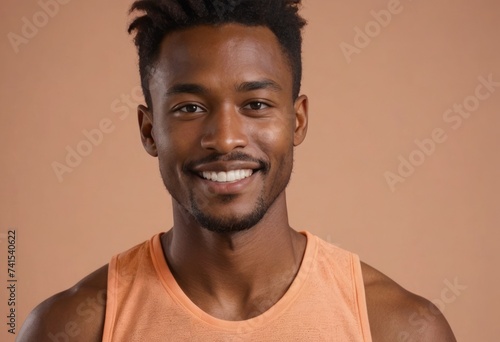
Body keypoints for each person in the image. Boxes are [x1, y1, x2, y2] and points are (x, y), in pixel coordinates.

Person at [18, 0, 456, 341]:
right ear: (149, 131)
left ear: (297, 121)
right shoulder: (71, 329)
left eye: (256, 105)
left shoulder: (398, 329)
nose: (226, 139)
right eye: (189, 108)